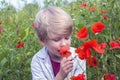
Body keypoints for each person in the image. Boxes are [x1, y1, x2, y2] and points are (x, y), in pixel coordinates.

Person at [31, 6, 86, 80]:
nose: (63, 44)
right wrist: (61, 76)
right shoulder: (38, 61)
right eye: (56, 40)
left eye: (67, 38)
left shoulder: (78, 56)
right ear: (42, 40)